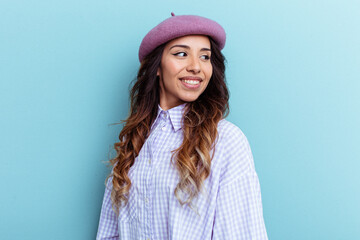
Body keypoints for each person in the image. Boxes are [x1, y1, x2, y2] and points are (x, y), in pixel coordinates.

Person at [96, 13, 268, 240]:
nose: (196, 66)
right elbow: (110, 232)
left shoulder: (226, 140)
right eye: (181, 54)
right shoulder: (134, 141)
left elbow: (242, 234)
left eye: (205, 57)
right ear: (157, 66)